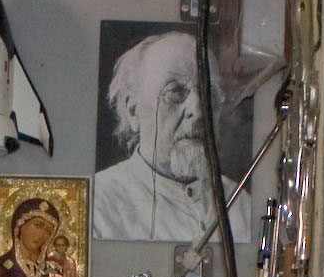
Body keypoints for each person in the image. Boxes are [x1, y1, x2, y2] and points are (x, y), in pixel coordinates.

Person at [92, 28, 251, 247]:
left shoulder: (242, 204)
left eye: (209, 92)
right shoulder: (97, 205)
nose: (198, 110)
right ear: (133, 110)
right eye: (175, 92)